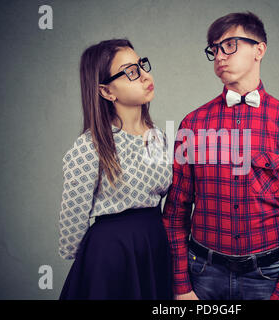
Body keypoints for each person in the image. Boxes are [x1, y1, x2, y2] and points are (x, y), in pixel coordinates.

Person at [162, 12, 279, 300]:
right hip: (202, 273)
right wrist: (181, 286)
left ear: (260, 50)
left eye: (230, 45)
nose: (220, 55)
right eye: (215, 49)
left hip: (266, 276)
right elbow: (175, 211)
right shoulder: (192, 124)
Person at [58, 38, 173, 300]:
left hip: (154, 249)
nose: (145, 76)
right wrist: (98, 260)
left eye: (141, 65)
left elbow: (165, 193)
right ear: (107, 92)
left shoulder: (157, 138)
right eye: (131, 72)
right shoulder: (89, 147)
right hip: (112, 257)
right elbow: (71, 227)